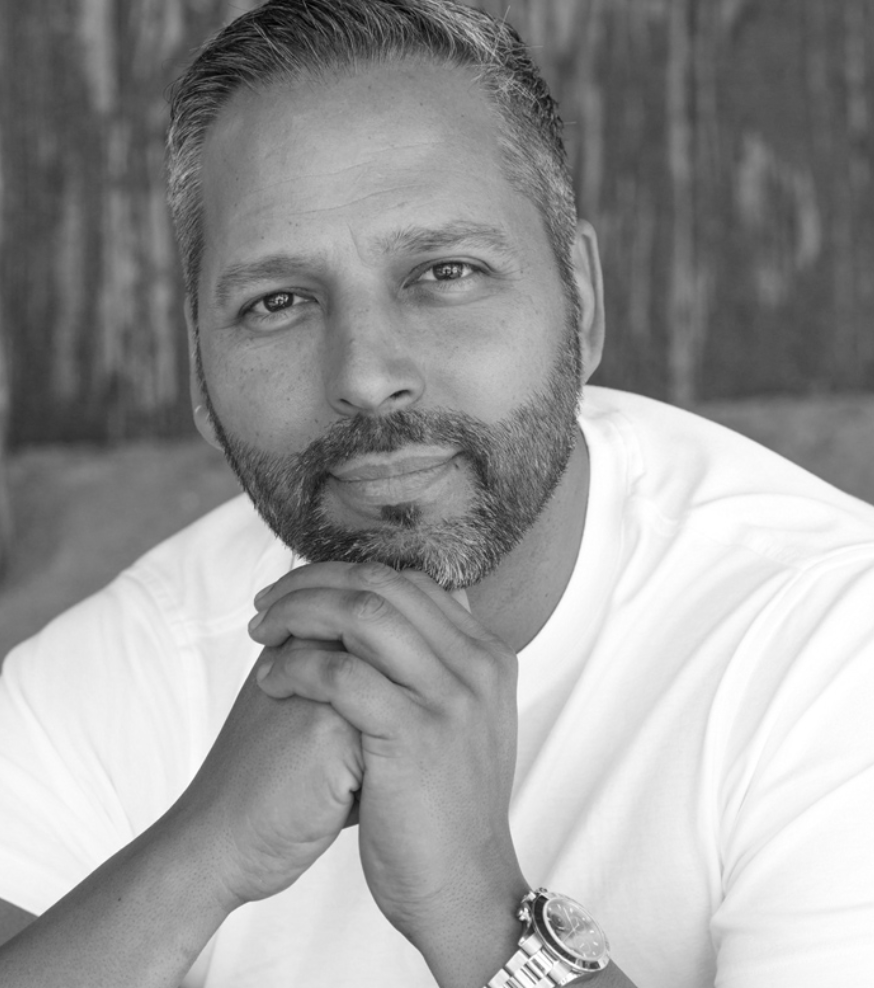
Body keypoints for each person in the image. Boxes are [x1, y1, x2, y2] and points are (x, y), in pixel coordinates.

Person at [0, 1, 872, 985]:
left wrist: (474, 901)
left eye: (445, 272)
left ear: (580, 304)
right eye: (277, 301)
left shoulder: (832, 644)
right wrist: (203, 852)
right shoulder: (135, 661)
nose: (367, 375)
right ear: (200, 371)